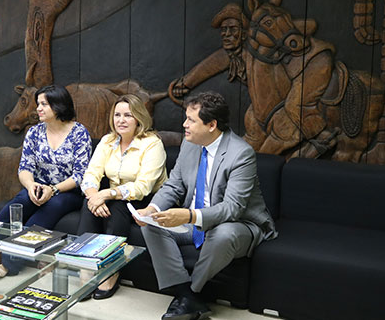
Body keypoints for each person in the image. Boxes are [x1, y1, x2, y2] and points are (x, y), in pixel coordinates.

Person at [135, 92, 276, 320]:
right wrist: (152, 209)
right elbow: (174, 185)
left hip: (238, 224)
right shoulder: (190, 145)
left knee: (223, 234)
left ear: (211, 125)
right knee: (151, 225)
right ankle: (185, 294)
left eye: (191, 120)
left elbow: (232, 208)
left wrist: (189, 215)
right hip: (196, 222)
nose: (184, 125)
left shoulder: (241, 154)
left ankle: (192, 292)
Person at [0, 84, 92, 277]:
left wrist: (53, 190)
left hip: (66, 191)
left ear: (59, 106)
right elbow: (25, 168)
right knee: (20, 201)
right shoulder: (34, 132)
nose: (38, 108)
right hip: (38, 185)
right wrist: (31, 186)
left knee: (50, 208)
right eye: (38, 104)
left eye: (44, 104)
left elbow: (81, 175)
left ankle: (10, 264)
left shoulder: (79, 133)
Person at [77, 94, 167, 299]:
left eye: (128, 115)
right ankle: (85, 268)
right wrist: (93, 197)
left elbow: (143, 187)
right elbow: (91, 174)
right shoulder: (108, 141)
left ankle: (111, 271)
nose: (121, 120)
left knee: (117, 208)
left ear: (139, 118)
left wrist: (106, 194)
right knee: (88, 203)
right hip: (116, 195)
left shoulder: (152, 144)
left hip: (146, 199)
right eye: (117, 115)